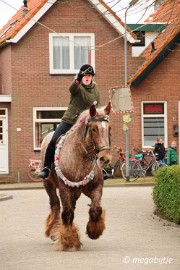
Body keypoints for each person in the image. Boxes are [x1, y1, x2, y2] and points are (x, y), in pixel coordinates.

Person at [38, 64, 100, 179]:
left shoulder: (95, 88)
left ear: (92, 77)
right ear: (81, 76)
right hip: (70, 120)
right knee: (53, 140)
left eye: (89, 76)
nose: (87, 78)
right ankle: (46, 168)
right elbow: (72, 89)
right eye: (85, 75)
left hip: (86, 123)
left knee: (98, 140)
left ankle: (102, 169)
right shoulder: (77, 85)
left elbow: (97, 105)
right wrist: (77, 80)